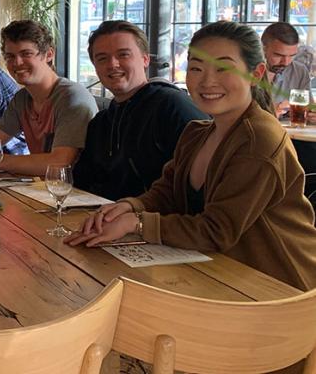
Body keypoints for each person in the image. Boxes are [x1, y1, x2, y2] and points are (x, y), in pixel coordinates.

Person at [65, 21, 316, 291]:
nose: (207, 81)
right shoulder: (197, 133)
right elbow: (167, 193)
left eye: (224, 67)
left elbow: (217, 230)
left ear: (256, 73)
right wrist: (129, 206)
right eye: (196, 68)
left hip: (281, 287)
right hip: (220, 272)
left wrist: (137, 224)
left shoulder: (259, 139)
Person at [73, 21, 207, 200]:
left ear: (145, 59)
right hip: (103, 219)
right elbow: (81, 183)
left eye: (123, 55)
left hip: (156, 222)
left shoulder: (171, 105)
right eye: (102, 58)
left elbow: (200, 186)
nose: (113, 64)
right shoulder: (100, 123)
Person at [0, 20, 97, 176]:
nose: (17, 63)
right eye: (10, 56)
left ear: (49, 54)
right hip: (42, 189)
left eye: (26, 54)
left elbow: (60, 163)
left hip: (79, 194)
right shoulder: (22, 98)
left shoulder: (72, 98)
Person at [261, 22, 310, 113]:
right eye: (278, 55)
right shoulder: (246, 71)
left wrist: (311, 114)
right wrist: (268, 113)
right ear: (263, 49)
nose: (286, 62)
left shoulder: (299, 72)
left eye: (292, 56)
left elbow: (307, 108)